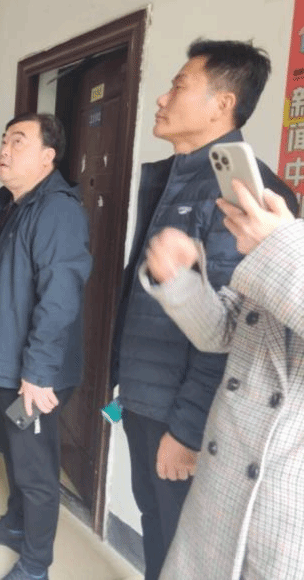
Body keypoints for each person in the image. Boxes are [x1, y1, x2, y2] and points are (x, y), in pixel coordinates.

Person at [110, 39, 298, 580]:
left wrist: (189, 428)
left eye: (179, 86)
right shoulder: (178, 176)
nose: (162, 98)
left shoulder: (244, 195)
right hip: (147, 397)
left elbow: (241, 335)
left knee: (181, 546)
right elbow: (206, 312)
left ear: (222, 103)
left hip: (184, 414)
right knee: (157, 527)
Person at [140, 180, 302, 580]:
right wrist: (180, 278)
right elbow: (223, 333)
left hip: (285, 517)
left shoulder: (287, 248)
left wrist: (278, 248)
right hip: (221, 490)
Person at [0, 113, 91, 580]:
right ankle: (15, 524)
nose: (5, 150)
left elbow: (59, 299)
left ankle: (36, 565)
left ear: (48, 157)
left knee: (35, 468)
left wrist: (37, 374)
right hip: (4, 365)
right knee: (12, 451)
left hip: (32, 375)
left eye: (18, 141)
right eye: (3, 140)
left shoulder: (57, 211)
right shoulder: (9, 205)